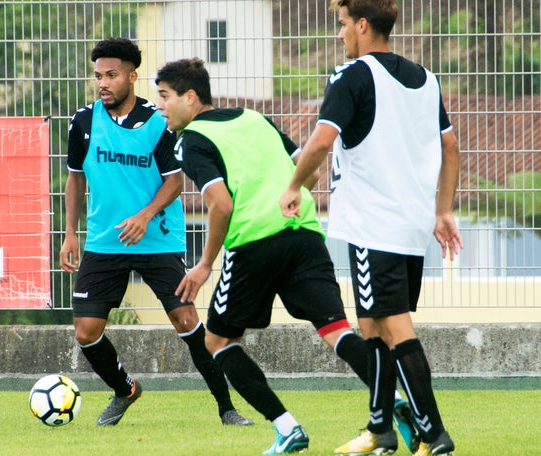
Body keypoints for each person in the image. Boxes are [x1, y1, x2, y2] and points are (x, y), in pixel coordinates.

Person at [155, 57, 416, 455]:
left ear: (190, 98)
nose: (159, 106)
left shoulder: (191, 140)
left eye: (164, 96)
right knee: (336, 330)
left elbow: (221, 205)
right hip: (305, 234)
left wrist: (205, 263)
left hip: (255, 243)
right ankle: (394, 402)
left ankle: (287, 427)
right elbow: (306, 169)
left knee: (217, 340)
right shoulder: (254, 117)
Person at [279, 1, 462, 455]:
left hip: (372, 226)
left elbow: (322, 140)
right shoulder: (426, 79)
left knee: (395, 327)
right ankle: (380, 429)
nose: (340, 34)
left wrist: (294, 185)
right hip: (410, 225)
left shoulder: (352, 75)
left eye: (343, 25)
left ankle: (434, 434)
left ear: (362, 25)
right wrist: (442, 212)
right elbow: (450, 145)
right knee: (373, 326)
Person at [59, 37, 252, 427]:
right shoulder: (83, 122)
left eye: (112, 75)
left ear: (132, 76)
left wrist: (144, 216)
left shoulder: (157, 121)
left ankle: (226, 408)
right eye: (98, 76)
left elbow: (174, 182)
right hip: (104, 241)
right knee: (86, 331)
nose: (103, 83)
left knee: (186, 321)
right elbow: (75, 180)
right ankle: (125, 389)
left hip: (157, 239)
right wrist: (69, 233)